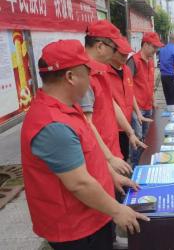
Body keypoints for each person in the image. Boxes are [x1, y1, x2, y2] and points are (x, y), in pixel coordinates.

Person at [20, 40, 150, 250]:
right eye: (87, 74)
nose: (91, 81)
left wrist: (111, 175)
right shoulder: (53, 125)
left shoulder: (67, 108)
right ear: (70, 77)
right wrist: (118, 211)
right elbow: (79, 183)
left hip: (94, 215)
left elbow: (89, 153)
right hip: (76, 229)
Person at [82, 20, 146, 174]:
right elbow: (86, 123)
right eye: (114, 48)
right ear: (100, 46)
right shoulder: (83, 75)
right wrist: (109, 159)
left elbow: (111, 103)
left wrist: (130, 132)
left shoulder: (101, 70)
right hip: (99, 157)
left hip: (112, 148)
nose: (115, 53)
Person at [107, 36, 150, 162]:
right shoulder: (105, 72)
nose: (125, 57)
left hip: (127, 120)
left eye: (127, 54)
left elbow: (131, 94)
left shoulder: (126, 69)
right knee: (117, 158)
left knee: (126, 155)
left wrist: (138, 113)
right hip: (114, 126)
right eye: (122, 54)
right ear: (112, 52)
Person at [127, 32, 164, 164]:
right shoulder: (133, 62)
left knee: (147, 139)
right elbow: (128, 88)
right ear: (146, 44)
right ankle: (136, 166)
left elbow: (149, 84)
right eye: (154, 47)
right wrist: (136, 111)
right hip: (137, 110)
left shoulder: (149, 61)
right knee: (137, 140)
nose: (156, 50)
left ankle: (145, 163)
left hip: (148, 107)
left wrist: (153, 101)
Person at [159, 33, 174, 105]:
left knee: (168, 99)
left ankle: (169, 114)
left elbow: (160, 62)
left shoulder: (162, 49)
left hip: (163, 76)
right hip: (172, 77)